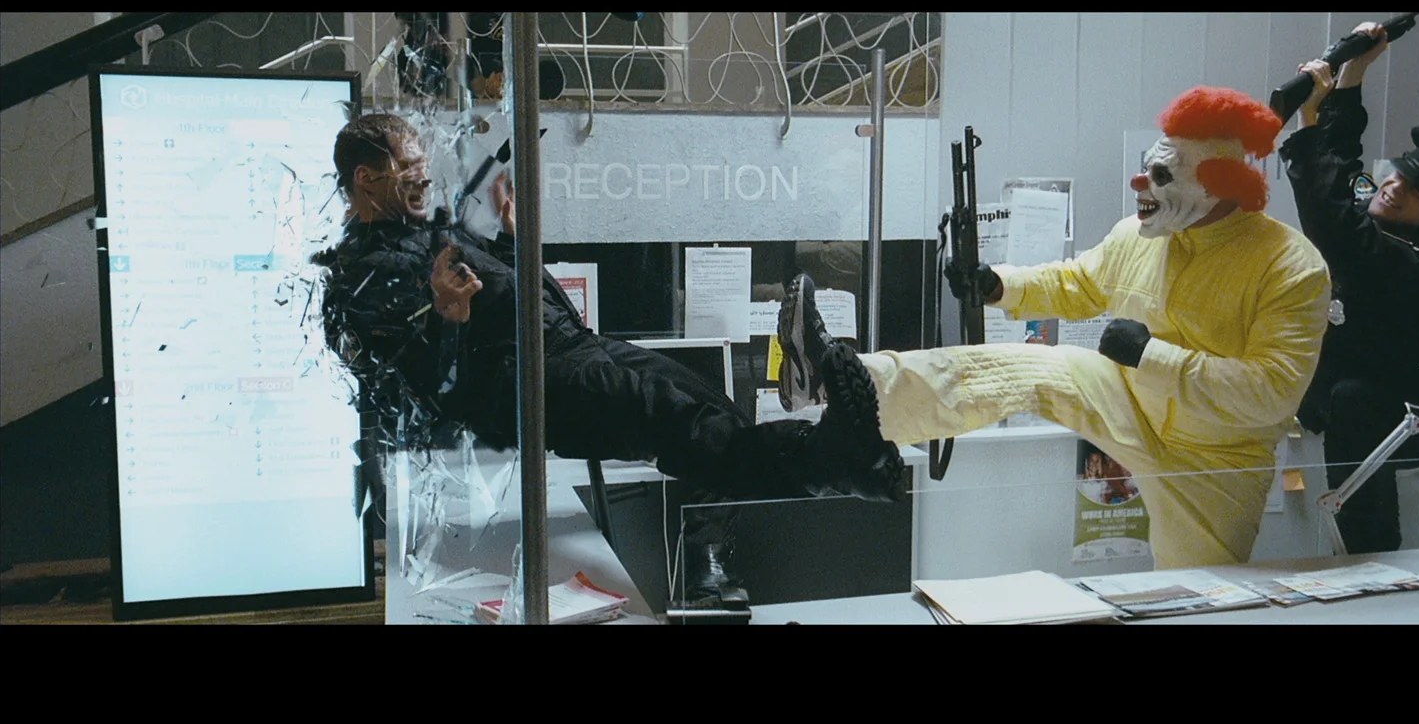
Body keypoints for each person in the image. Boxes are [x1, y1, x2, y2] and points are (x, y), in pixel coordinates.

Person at [311, 113, 905, 608]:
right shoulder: (360, 273)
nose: (423, 174)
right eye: (409, 164)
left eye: (422, 161)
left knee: (710, 405)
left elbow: (499, 288)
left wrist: (512, 240)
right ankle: (835, 464)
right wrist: (447, 319)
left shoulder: (426, 231)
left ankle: (715, 559)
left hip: (572, 344)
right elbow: (411, 391)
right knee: (676, 418)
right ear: (366, 177)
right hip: (531, 381)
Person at [779, 85, 1333, 570]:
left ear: (1215, 184)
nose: (1140, 180)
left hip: (1218, 456)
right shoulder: (1135, 237)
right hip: (1130, 402)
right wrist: (998, 285)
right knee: (1030, 367)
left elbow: (1273, 392)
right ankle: (838, 379)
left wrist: (1151, 355)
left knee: (1201, 590)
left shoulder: (1291, 267)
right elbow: (1079, 283)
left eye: (1162, 174)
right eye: (1148, 164)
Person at [1280, 21, 1419, 555]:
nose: (1394, 188)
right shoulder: (1376, 214)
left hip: (1399, 415)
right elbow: (1344, 163)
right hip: (1343, 404)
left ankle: (1375, 568)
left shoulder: (1414, 259)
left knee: (1353, 408)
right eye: (1398, 175)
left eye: (1414, 192)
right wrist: (1354, 73)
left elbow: (1331, 220)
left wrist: (1306, 121)